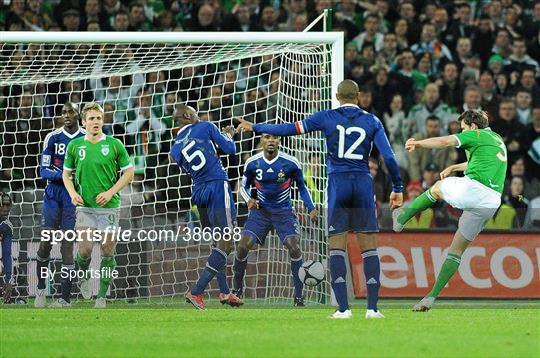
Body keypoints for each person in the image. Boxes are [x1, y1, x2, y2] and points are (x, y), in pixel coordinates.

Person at [237, 79, 403, 319]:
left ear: (336, 96)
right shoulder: (373, 120)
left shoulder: (326, 117)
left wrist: (256, 127)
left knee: (337, 246)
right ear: (358, 96)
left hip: (338, 183)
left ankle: (344, 309)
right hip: (363, 183)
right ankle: (372, 309)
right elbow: (388, 156)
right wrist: (397, 185)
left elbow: (289, 129)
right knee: (369, 248)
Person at [393, 110, 507, 311]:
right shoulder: (496, 138)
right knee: (456, 250)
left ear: (473, 126)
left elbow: (445, 142)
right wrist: (454, 167)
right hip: (490, 202)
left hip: (475, 190)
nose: (462, 132)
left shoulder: (476, 134)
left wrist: (418, 144)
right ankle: (430, 298)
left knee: (436, 188)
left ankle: (402, 218)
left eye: (463, 128)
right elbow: (476, 163)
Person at [170, 105, 242, 310]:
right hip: (217, 185)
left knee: (217, 242)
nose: (198, 116)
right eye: (195, 113)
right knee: (226, 243)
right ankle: (196, 291)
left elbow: (201, 160)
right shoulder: (205, 126)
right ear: (187, 116)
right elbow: (230, 149)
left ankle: (225, 292)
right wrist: (228, 135)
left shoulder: (174, 149)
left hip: (199, 192)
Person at [63, 102, 134, 308]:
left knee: (107, 249)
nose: (96, 122)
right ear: (83, 122)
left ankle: (101, 296)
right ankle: (83, 276)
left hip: (110, 205)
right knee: (84, 250)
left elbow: (129, 172)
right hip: (85, 206)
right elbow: (66, 175)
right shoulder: (75, 146)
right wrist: (73, 193)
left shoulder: (114, 144)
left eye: (99, 118)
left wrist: (111, 192)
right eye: (92, 119)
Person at [233, 133, 318, 306]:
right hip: (260, 212)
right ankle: (237, 289)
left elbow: (302, 187)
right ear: (262, 141)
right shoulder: (253, 162)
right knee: (242, 246)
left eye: (275, 137)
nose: (271, 140)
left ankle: (299, 296)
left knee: (294, 247)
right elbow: (243, 186)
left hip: (283, 212)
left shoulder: (291, 162)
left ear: (280, 141)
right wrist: (248, 199)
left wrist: (311, 207)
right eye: (267, 137)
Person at [35, 102, 86, 308]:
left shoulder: (85, 138)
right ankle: (40, 289)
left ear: (78, 115)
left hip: (73, 196)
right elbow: (43, 171)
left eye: (71, 111)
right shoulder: (52, 137)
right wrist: (65, 175)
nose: (67, 115)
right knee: (47, 240)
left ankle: (65, 298)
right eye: (64, 112)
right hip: (54, 193)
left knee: (67, 244)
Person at [0, 193, 14, 304]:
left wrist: (9, 280)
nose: (5, 209)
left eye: (8, 205)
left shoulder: (6, 226)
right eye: (2, 205)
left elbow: (7, 255)